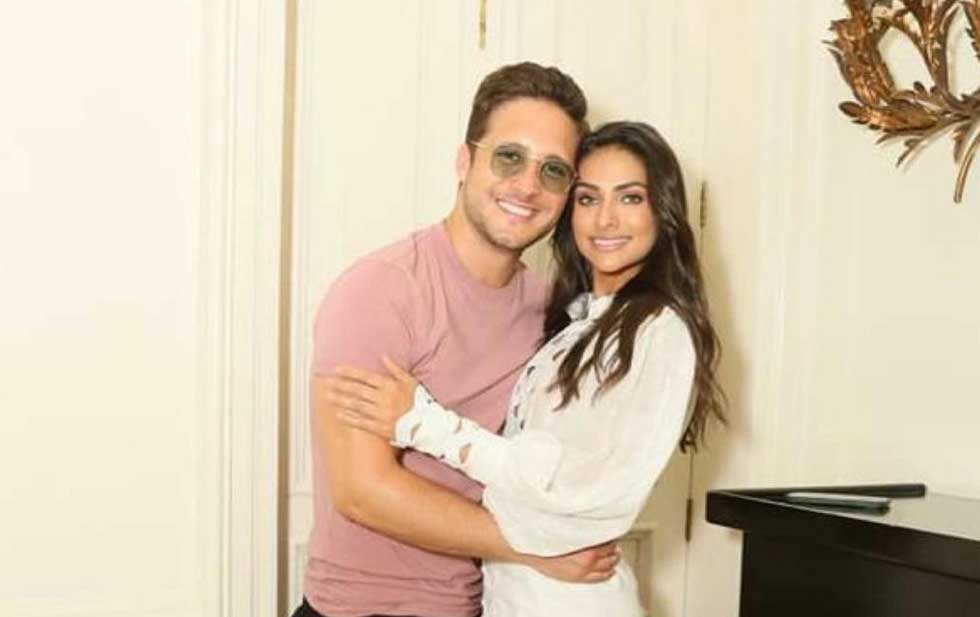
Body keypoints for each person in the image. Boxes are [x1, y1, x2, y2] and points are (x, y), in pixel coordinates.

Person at [324, 121, 726, 617]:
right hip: (512, 597)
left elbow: (573, 488)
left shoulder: (659, 331)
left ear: (662, 210)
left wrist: (422, 422)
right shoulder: (577, 318)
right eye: (587, 198)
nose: (605, 219)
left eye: (630, 198)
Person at [293, 62, 621, 617]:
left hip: (478, 604)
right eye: (509, 157)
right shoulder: (383, 289)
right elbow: (360, 490)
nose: (528, 186)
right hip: (363, 610)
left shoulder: (550, 310)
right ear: (465, 161)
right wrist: (537, 546)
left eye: (553, 171)